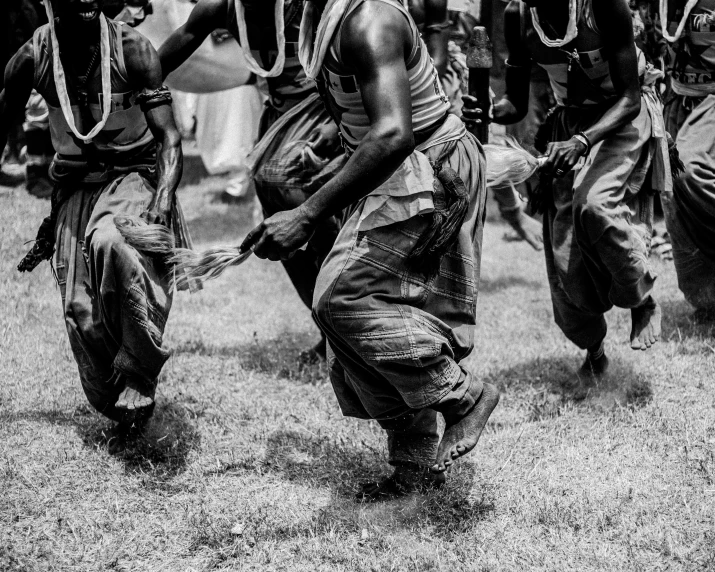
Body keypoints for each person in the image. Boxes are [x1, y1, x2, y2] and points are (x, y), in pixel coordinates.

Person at [241, 0, 499, 500]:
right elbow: (360, 109)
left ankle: (463, 396)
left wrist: (306, 213)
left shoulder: (368, 21)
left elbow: (394, 131)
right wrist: (327, 148)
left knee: (341, 298)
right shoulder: (322, 19)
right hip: (397, 167)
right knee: (360, 317)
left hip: (430, 167)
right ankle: (413, 470)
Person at [0, 0, 190, 429]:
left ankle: (139, 374)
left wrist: (161, 200)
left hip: (133, 179)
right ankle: (123, 414)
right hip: (73, 188)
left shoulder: (134, 49)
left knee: (114, 244)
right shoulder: (33, 58)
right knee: (81, 313)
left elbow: (170, 138)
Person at [464, 0, 671, 383]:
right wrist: (488, 112)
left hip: (619, 119)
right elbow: (516, 103)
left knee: (594, 205)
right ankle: (595, 350)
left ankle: (640, 297)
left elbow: (629, 98)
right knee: (564, 255)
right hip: (569, 125)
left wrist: (581, 140)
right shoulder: (519, 16)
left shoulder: (603, 7)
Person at [159, 0, 345, 362]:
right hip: (276, 122)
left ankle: (347, 328)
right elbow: (156, 63)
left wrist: (339, 122)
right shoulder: (221, 9)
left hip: (326, 116)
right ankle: (328, 327)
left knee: (317, 220)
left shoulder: (313, 5)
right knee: (280, 223)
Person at [659, 0, 715, 315]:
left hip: (712, 104)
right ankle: (706, 302)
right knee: (674, 201)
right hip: (677, 102)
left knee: (690, 174)